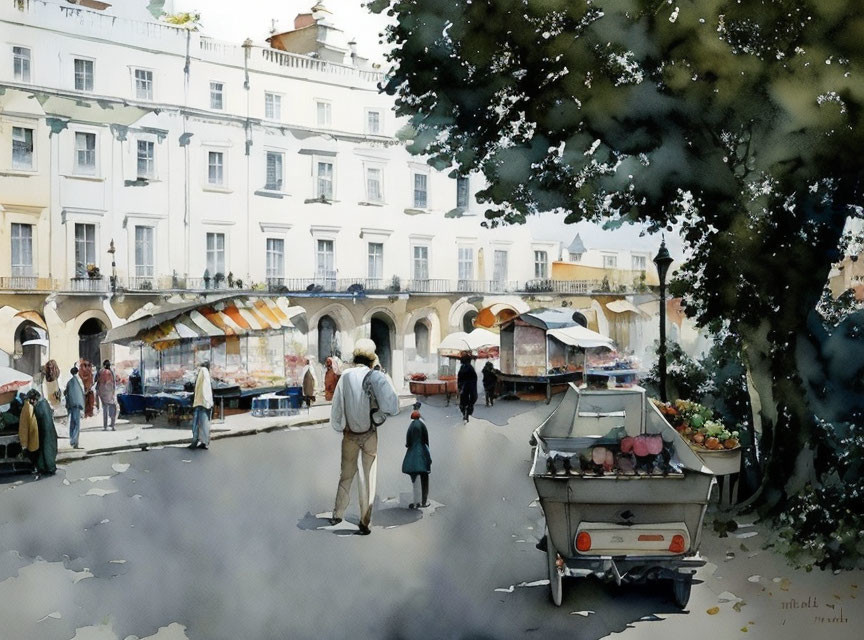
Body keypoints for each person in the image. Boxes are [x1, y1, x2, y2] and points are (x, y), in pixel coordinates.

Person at [329, 338, 400, 535]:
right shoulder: (375, 376)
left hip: (349, 434)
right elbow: (393, 406)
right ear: (372, 359)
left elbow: (336, 409)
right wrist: (382, 373)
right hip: (369, 434)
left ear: (355, 357)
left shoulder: (345, 377)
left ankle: (338, 513)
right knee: (368, 478)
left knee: (346, 475)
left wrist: (340, 425)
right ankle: (364, 521)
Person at [402, 409, 431, 509]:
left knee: (414, 480)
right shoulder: (422, 425)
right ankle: (424, 502)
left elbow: (408, 442)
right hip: (421, 455)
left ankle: (415, 502)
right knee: (424, 478)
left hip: (412, 456)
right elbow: (426, 440)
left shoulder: (410, 426)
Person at [28, 390, 57, 477]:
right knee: (47, 449)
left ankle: (49, 468)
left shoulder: (40, 406)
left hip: (45, 430)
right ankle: (46, 468)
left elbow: (38, 418)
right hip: (48, 430)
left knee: (46, 449)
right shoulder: (44, 403)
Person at [189, 361, 213, 450]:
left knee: (197, 423)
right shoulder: (204, 371)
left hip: (201, 402)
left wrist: (206, 401)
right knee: (204, 424)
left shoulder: (203, 371)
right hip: (203, 402)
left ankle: (195, 442)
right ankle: (204, 442)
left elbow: (204, 388)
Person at [64, 365, 85, 449]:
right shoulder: (79, 381)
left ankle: (72, 440)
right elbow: (82, 393)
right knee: (76, 424)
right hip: (77, 405)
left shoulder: (69, 382)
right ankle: (75, 442)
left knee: (72, 423)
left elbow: (66, 393)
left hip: (71, 405)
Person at [18, 391, 39, 468]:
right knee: (33, 456)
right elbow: (24, 427)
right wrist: (24, 444)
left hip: (32, 438)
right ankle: (34, 467)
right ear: (32, 400)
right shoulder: (28, 408)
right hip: (31, 439)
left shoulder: (29, 407)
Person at [96, 359, 118, 431]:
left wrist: (98, 392)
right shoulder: (112, 372)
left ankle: (105, 426)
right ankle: (113, 425)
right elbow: (114, 383)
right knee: (113, 409)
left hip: (103, 393)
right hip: (110, 393)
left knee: (105, 410)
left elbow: (97, 381)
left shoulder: (101, 372)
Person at [457, 353, 478, 423]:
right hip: (469, 389)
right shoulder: (469, 368)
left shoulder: (463, 368)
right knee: (469, 404)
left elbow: (459, 378)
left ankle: (465, 415)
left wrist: (460, 387)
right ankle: (467, 416)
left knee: (463, 404)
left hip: (465, 388)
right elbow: (474, 379)